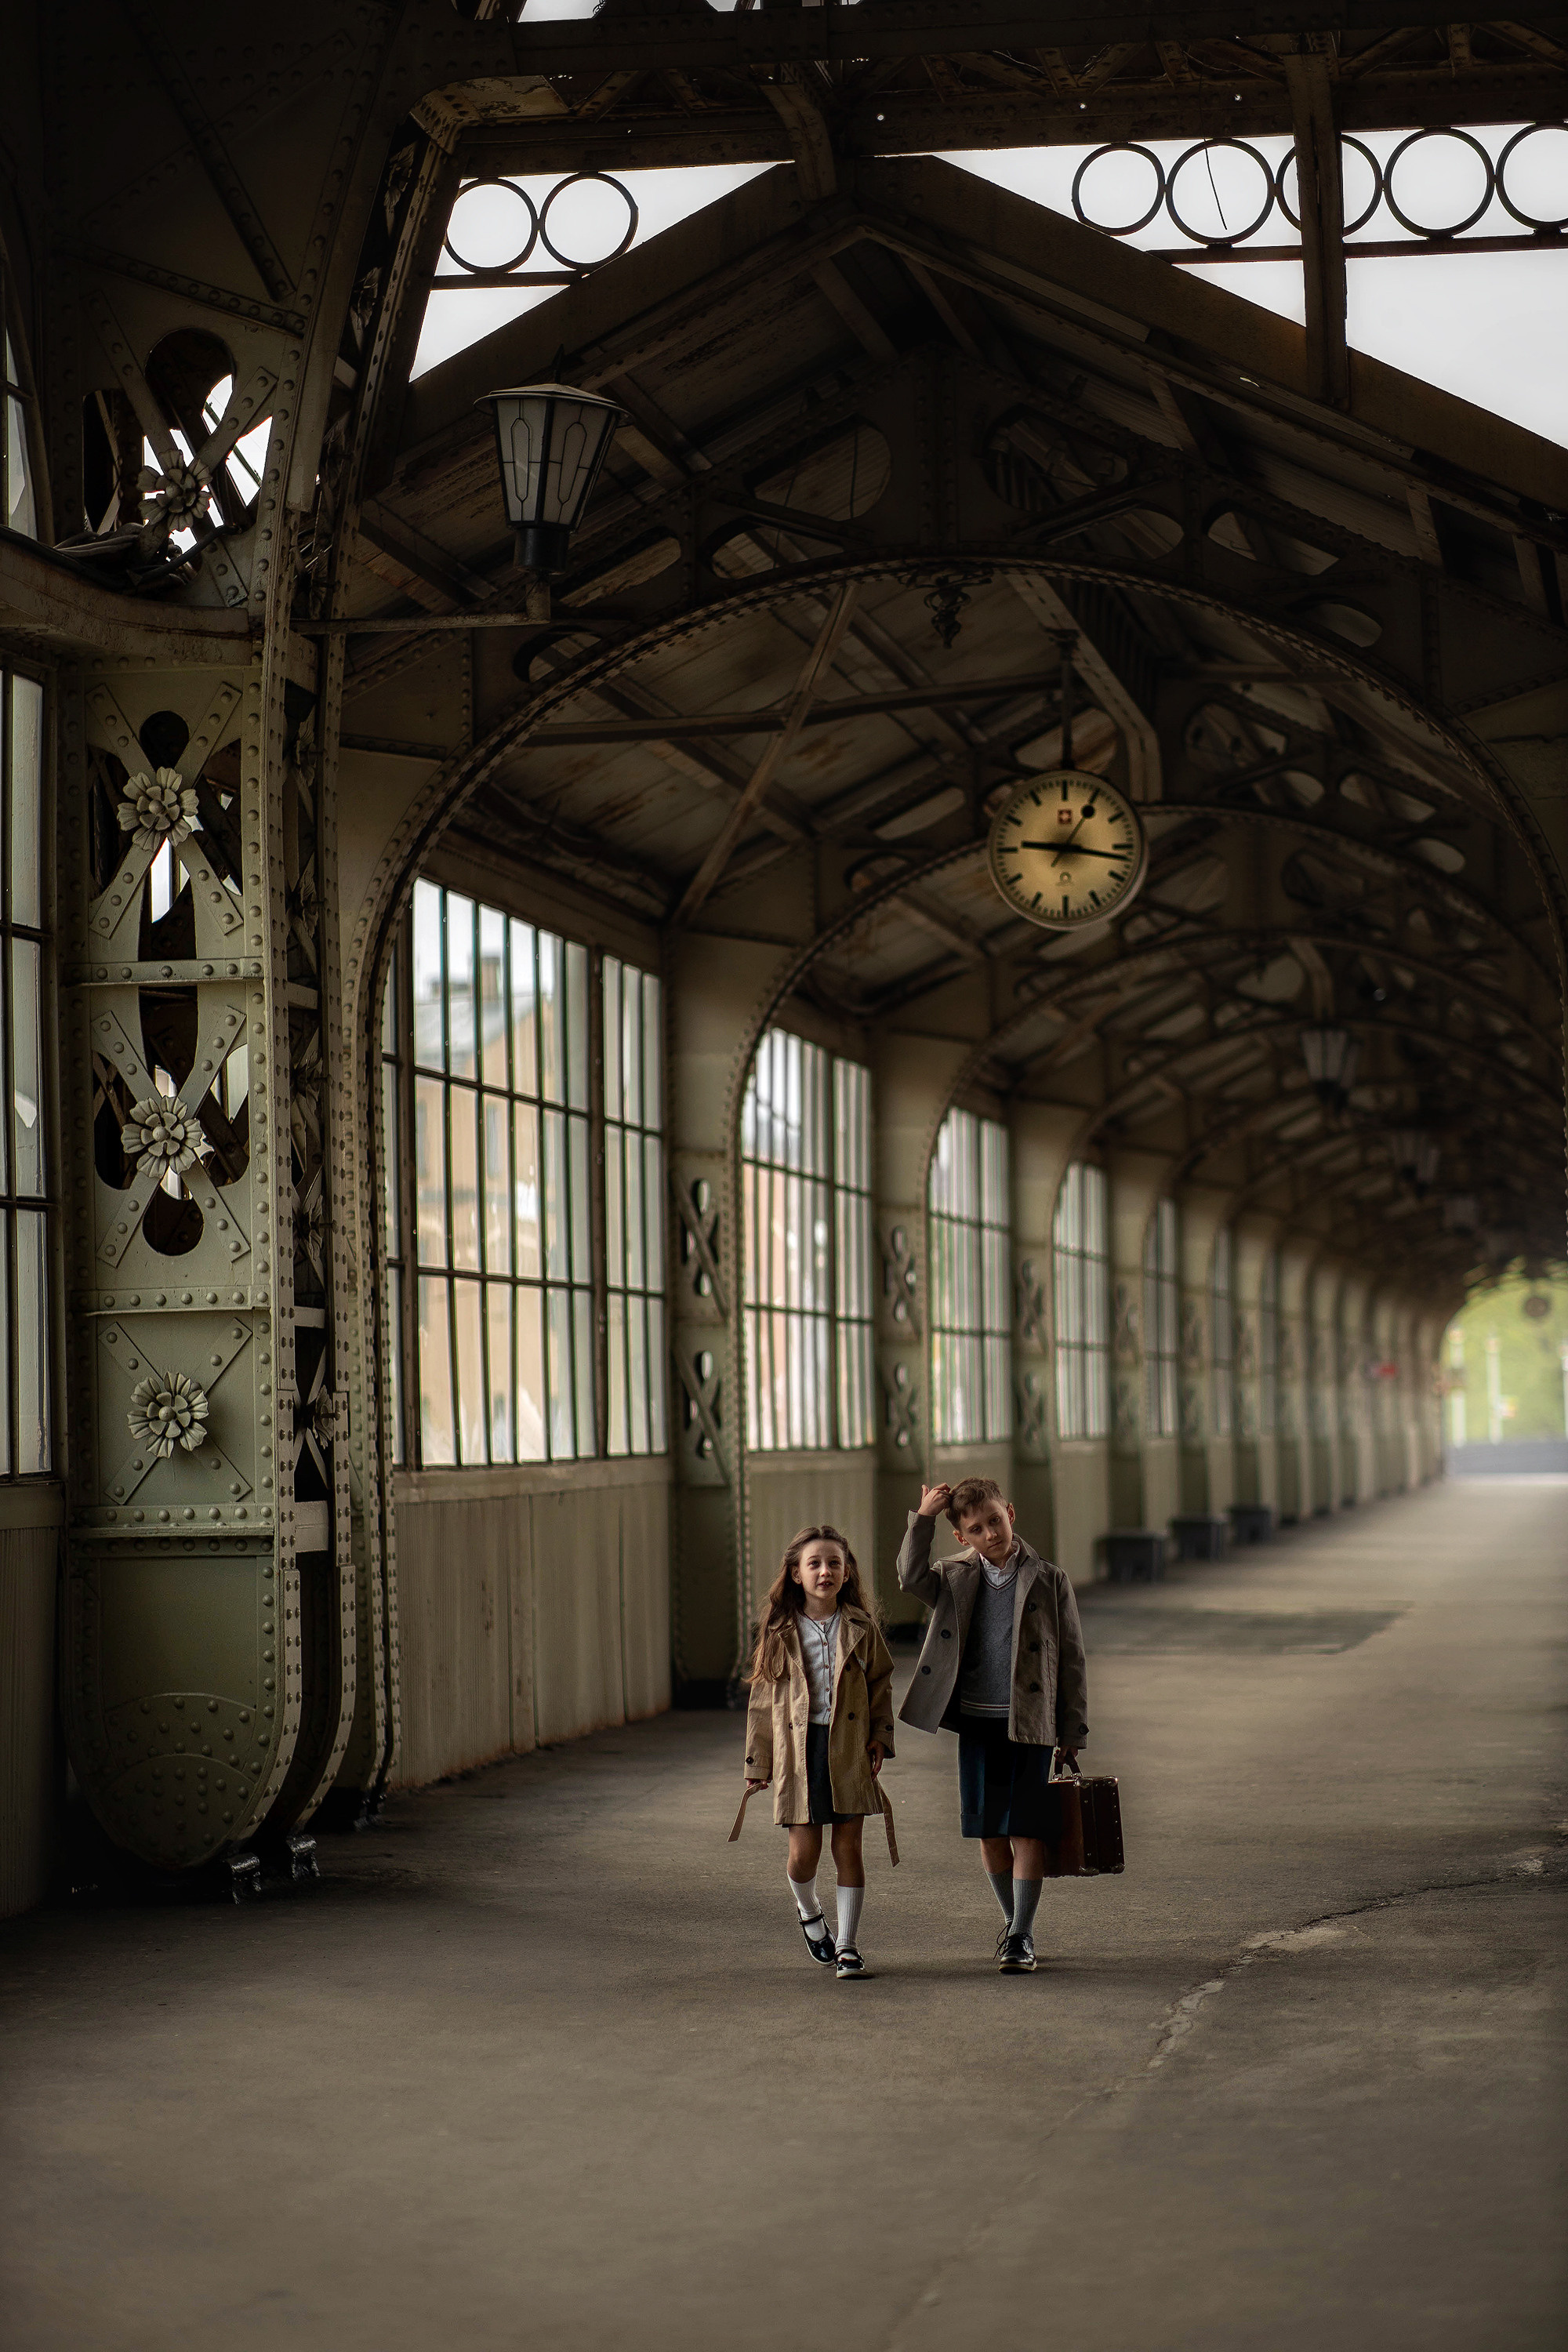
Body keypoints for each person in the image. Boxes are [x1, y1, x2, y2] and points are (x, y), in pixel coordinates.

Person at [896, 1475, 1088, 1973]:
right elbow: (908, 1577)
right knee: (988, 1831)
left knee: (1025, 1828)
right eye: (977, 1529)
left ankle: (1022, 1934)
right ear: (961, 1537)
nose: (991, 1534)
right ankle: (1013, 1924)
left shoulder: (1048, 1578)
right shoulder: (952, 1576)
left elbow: (1070, 1660)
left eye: (996, 1521)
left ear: (1011, 1512)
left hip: (1029, 1723)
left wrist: (1071, 1732)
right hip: (977, 1723)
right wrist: (922, 1518)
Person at [742, 1524, 897, 1980]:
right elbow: (762, 1701)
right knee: (803, 1854)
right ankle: (809, 1911)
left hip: (848, 1747)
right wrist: (758, 1760)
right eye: (814, 1563)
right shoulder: (779, 1630)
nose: (825, 1571)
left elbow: (881, 1684)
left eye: (834, 1563)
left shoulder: (863, 1628)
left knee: (848, 1846)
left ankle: (848, 1946)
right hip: (798, 1750)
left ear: (847, 1573)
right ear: (795, 1573)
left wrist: (881, 1737)